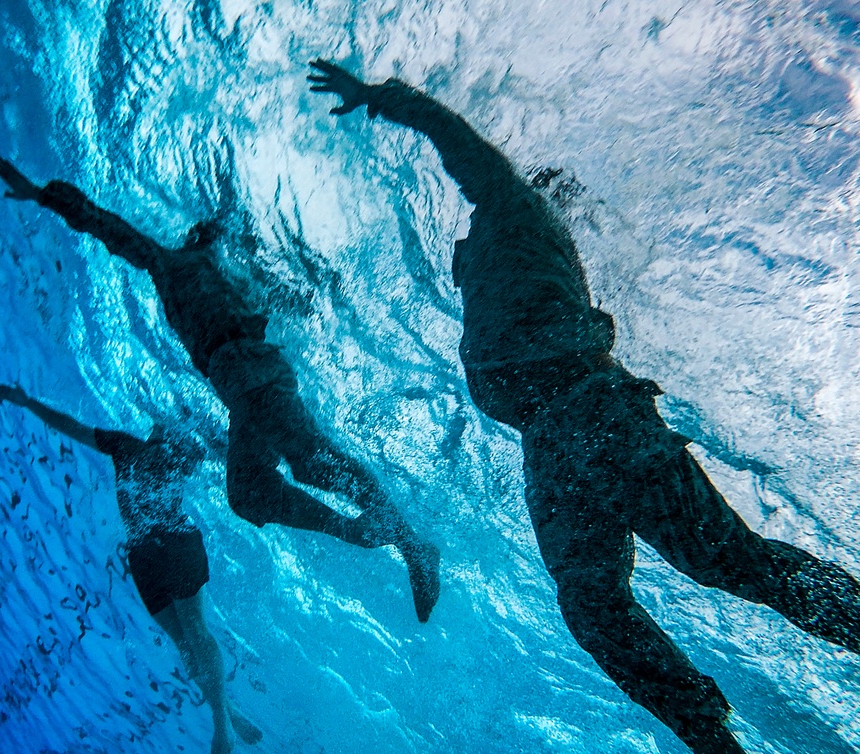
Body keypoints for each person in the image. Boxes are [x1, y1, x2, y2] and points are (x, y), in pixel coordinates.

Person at [309, 59, 860, 753]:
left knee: (730, 564)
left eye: (464, 249)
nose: (457, 257)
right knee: (590, 604)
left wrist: (378, 97)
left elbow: (454, 138)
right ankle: (708, 732)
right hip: (548, 443)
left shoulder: (511, 206)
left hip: (592, 412)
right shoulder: (505, 261)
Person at [0, 157, 440, 623]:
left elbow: (110, 228)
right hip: (244, 386)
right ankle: (369, 533)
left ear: (191, 241)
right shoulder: (222, 271)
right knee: (250, 492)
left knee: (310, 462)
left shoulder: (171, 265)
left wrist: (43, 194)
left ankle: (408, 544)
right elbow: (276, 292)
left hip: (250, 376)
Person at [0, 384, 261, 754]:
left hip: (177, 542)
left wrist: (241, 427)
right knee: (182, 640)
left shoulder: (184, 451)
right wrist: (29, 402)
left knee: (195, 629)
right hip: (142, 557)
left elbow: (233, 453)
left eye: (168, 426)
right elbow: (71, 426)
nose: (161, 428)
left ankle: (222, 728)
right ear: (154, 425)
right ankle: (227, 711)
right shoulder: (124, 445)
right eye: (160, 424)